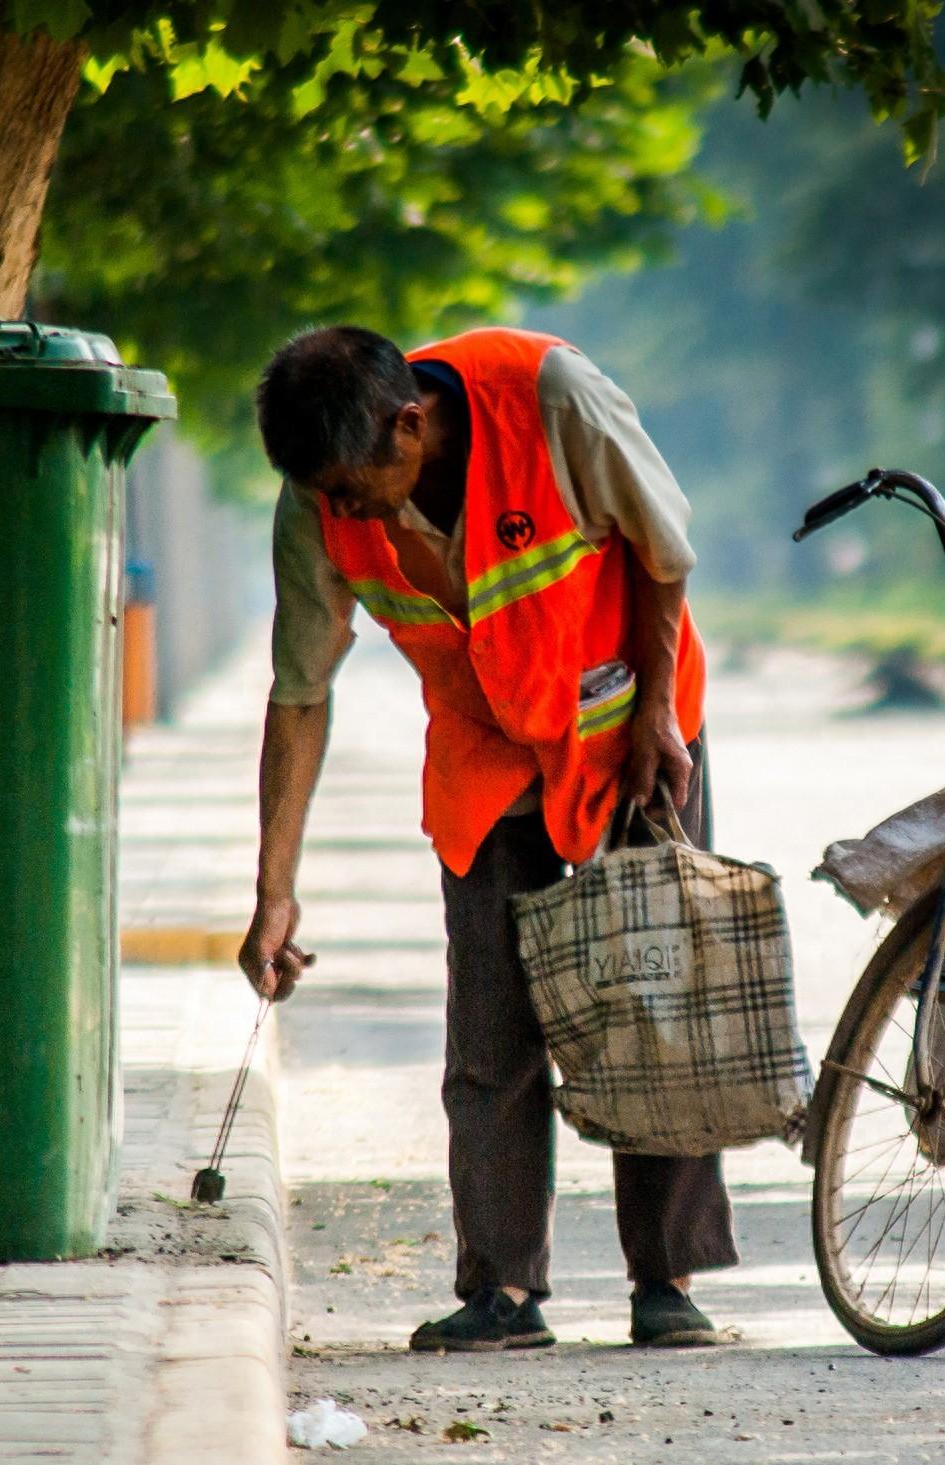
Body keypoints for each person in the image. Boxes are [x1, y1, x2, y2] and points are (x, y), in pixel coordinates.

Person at [242, 325, 737, 1351]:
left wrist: (655, 714)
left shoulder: (554, 398)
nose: (341, 511)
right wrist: (273, 892)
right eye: (322, 494)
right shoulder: (316, 500)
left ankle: (666, 1280)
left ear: (408, 423)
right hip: (484, 751)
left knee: (656, 1006)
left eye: (349, 487)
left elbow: (662, 548)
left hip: (623, 731)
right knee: (489, 1031)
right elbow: (299, 690)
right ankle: (502, 1291)